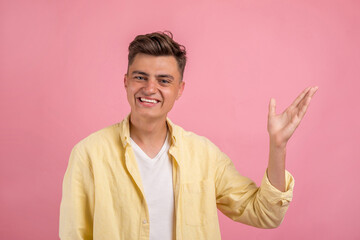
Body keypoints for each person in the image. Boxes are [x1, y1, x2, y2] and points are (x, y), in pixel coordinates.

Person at [59, 31, 318, 240]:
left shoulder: (204, 155)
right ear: (126, 81)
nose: (150, 88)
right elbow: (73, 234)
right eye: (140, 77)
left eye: (163, 80)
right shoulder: (89, 154)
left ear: (179, 89)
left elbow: (265, 214)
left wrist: (278, 146)